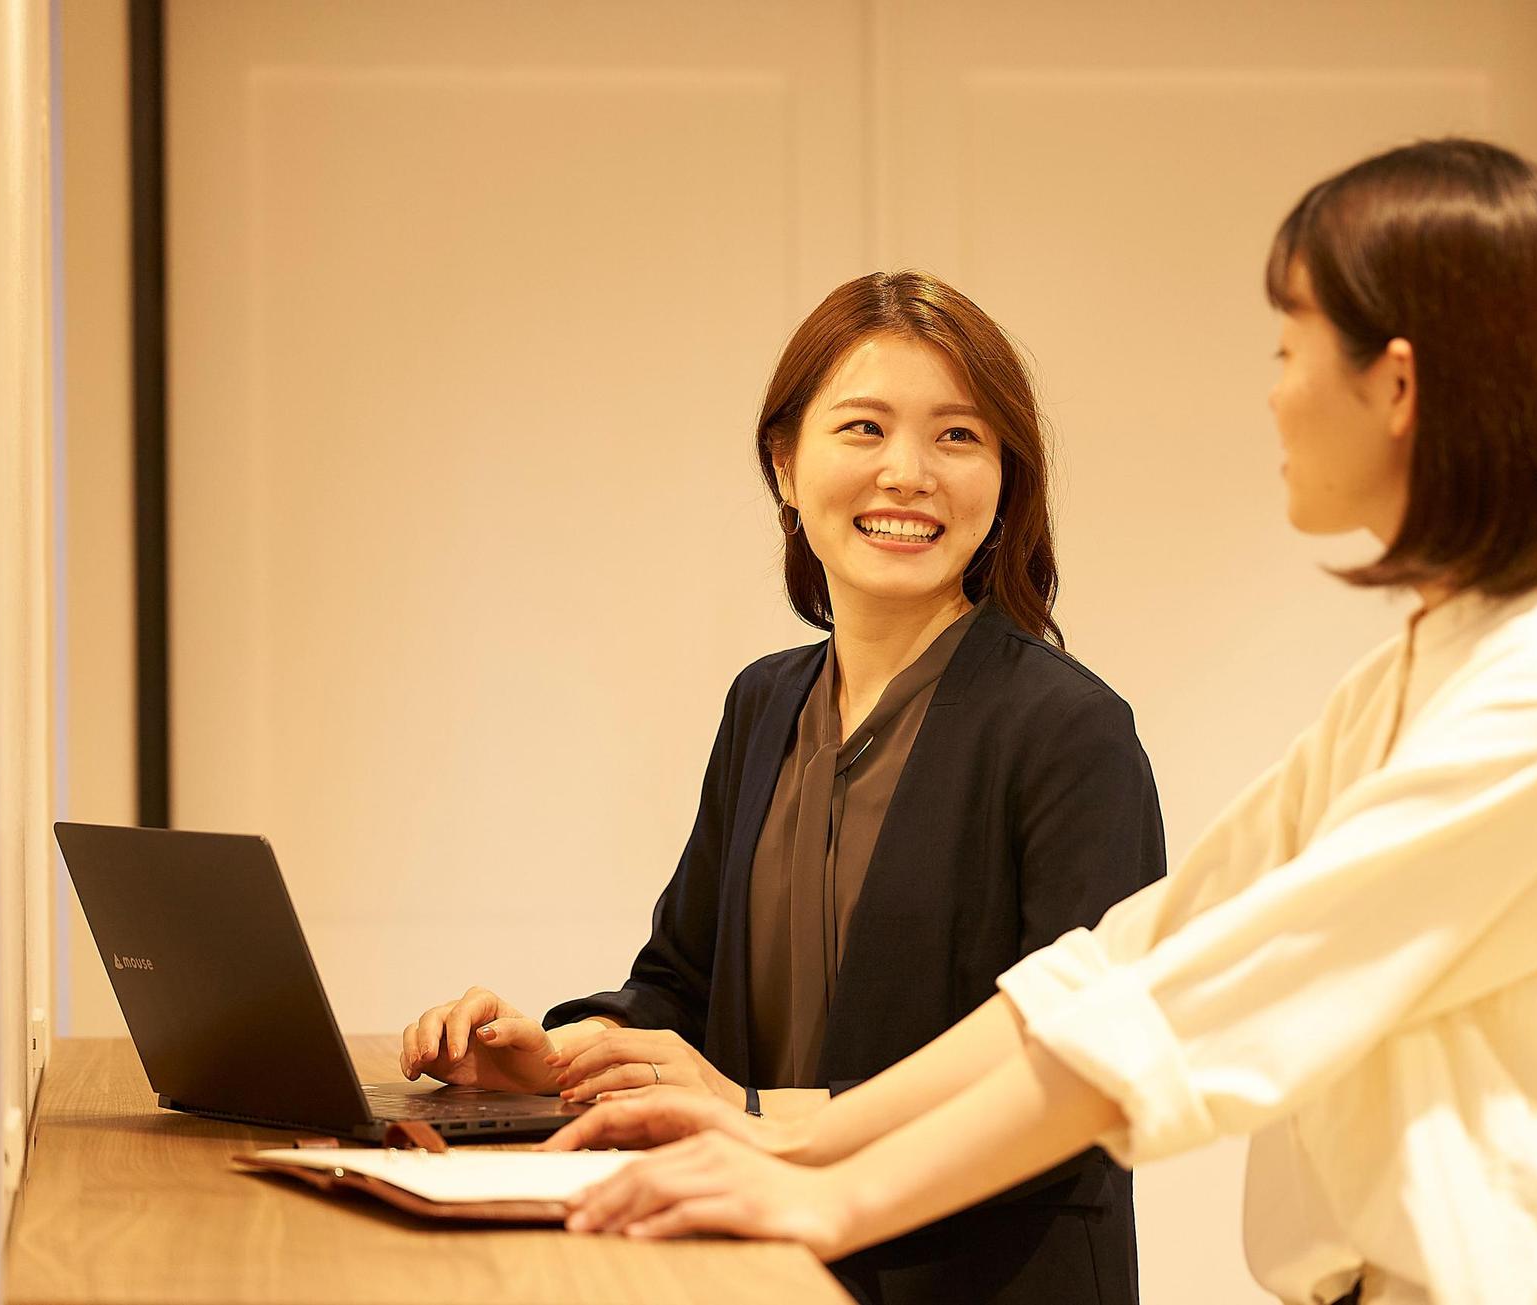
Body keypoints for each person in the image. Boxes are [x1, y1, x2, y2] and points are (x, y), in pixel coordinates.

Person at [546, 140, 1537, 1305]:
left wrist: (824, 1191)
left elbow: (1204, 1002)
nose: (1273, 394)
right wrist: (791, 1140)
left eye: (1289, 347)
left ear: (1396, 384)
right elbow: (1129, 957)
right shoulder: (1422, 672)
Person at [397, 271, 1165, 1304]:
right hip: (759, 1264)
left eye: (957, 436)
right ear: (786, 464)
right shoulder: (765, 702)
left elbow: (1083, 1072)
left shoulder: (1069, 729)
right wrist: (555, 1058)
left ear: (1004, 480)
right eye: (863, 428)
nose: (907, 473)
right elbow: (680, 985)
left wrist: (759, 1114)